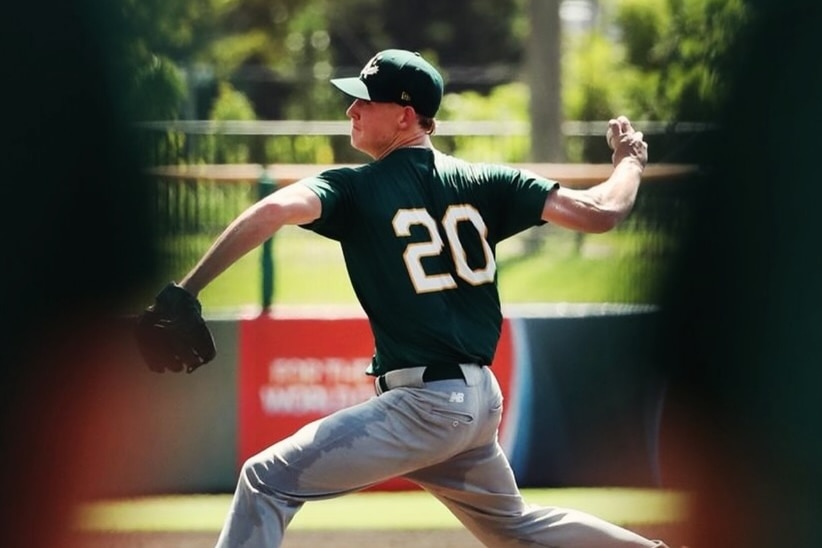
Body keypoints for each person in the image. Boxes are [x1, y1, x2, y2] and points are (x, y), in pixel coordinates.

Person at [179, 49, 662, 547]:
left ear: (406, 116)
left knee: (265, 479)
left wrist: (186, 290)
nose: (352, 110)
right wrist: (629, 163)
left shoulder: (356, 189)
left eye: (366, 100)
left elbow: (273, 209)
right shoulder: (488, 180)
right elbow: (600, 211)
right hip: (476, 400)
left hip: (425, 405)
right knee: (518, 529)